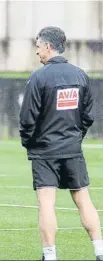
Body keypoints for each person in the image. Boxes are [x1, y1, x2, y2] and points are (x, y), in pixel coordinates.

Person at [19, 26, 103, 261]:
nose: (37, 52)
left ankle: (50, 255)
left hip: (45, 151)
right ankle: (100, 251)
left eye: (37, 47)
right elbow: (88, 116)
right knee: (83, 199)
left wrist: (29, 143)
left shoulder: (38, 77)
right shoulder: (80, 75)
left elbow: (27, 118)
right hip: (72, 149)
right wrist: (75, 137)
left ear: (47, 46)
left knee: (46, 203)